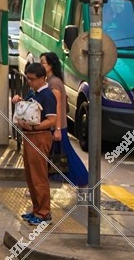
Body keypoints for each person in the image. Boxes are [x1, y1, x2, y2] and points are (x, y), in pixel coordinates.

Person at [11, 62, 57, 225]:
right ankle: (37, 210)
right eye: (28, 79)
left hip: (40, 136)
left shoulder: (47, 95)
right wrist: (19, 101)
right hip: (30, 136)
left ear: (42, 78)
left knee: (38, 176)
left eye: (32, 79)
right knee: (31, 175)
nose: (29, 82)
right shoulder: (33, 92)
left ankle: (43, 212)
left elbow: (52, 120)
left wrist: (33, 126)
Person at [40, 52, 87, 187]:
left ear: (50, 66)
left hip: (57, 126)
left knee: (67, 156)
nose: (41, 65)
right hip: (57, 126)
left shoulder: (54, 83)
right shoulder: (51, 81)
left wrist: (57, 129)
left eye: (43, 63)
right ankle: (71, 178)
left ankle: (82, 179)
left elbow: (58, 107)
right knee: (61, 154)